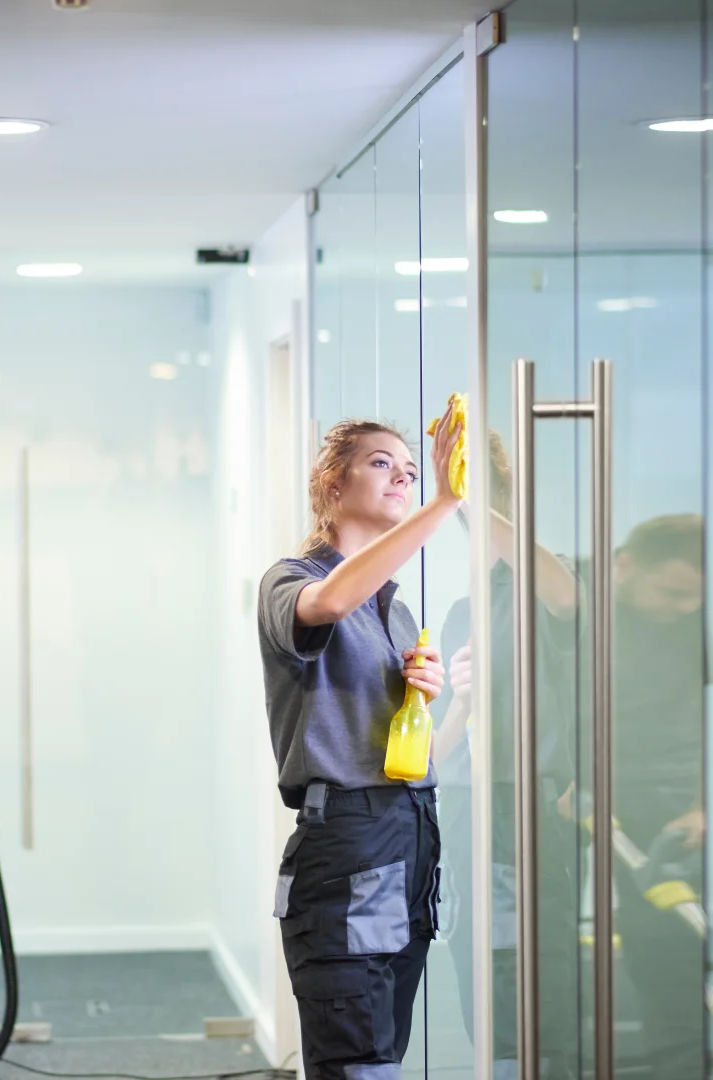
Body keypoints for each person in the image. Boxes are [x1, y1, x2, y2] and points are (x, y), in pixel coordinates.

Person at [258, 411, 461, 1080]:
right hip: (347, 842)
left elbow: (409, 749)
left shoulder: (394, 610)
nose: (401, 473)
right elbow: (329, 603)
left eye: (408, 467)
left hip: (410, 835)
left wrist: (422, 701)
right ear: (330, 485)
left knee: (385, 1055)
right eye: (382, 462)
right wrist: (441, 502)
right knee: (357, 1063)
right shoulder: (291, 580)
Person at [432, 431, 580, 1080]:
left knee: (539, 957)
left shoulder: (544, 585)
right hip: (468, 801)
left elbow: (562, 591)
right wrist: (461, 702)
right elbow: (434, 751)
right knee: (478, 956)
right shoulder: (462, 610)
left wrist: (465, 492)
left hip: (531, 799)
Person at [609, 514, 705, 1077]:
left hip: (682, 797)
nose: (684, 607)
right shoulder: (585, 611)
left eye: (694, 597)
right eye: (671, 594)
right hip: (609, 798)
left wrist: (701, 805)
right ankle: (679, 1059)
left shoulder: (698, 622)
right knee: (652, 935)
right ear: (625, 567)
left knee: (681, 932)